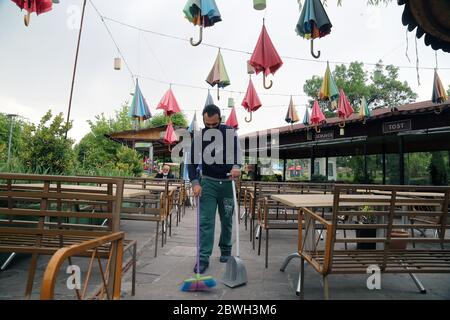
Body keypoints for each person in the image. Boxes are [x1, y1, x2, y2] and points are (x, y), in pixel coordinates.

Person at [188, 104, 242, 274]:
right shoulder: (199, 137)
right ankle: (203, 258)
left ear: (220, 119)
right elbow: (191, 163)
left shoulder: (230, 133)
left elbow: (238, 155)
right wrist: (195, 182)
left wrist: (236, 166)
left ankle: (226, 250)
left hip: (227, 182)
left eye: (214, 124)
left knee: (227, 219)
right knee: (206, 221)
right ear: (204, 121)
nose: (211, 127)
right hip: (208, 183)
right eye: (207, 124)